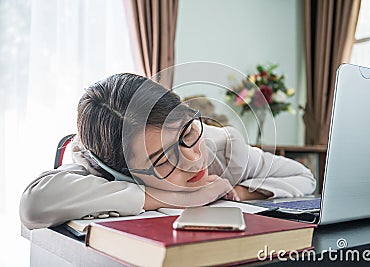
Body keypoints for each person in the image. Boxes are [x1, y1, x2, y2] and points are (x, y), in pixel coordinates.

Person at [19, 73, 316, 230]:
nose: (192, 158)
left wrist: (239, 192)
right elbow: (35, 204)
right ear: (122, 172)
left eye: (187, 133)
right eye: (162, 160)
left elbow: (304, 178)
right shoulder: (95, 166)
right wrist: (169, 197)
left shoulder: (219, 147)